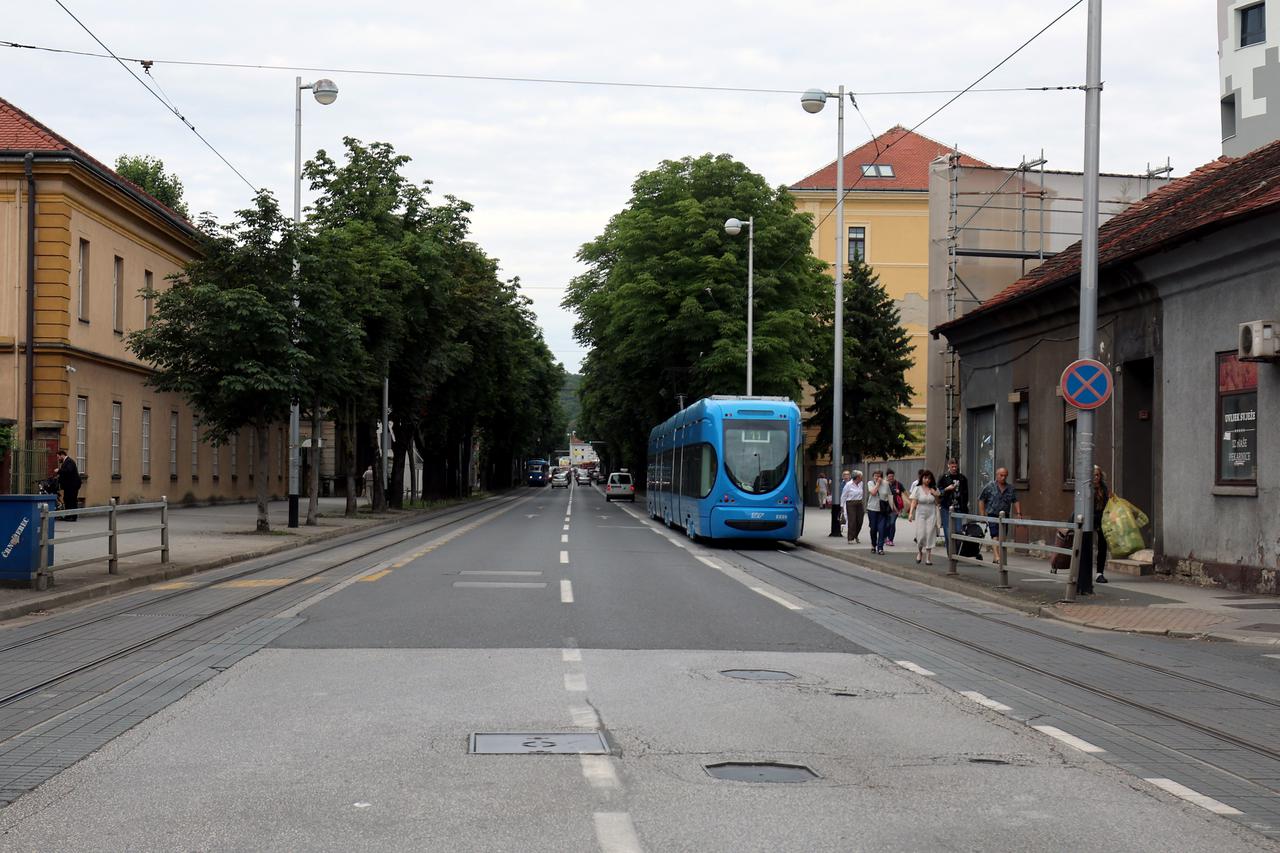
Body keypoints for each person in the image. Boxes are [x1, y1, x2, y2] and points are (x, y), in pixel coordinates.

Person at [977, 466, 1022, 564]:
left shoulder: (1010, 488)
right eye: (1001, 475)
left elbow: (1015, 500)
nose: (1003, 478)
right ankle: (997, 556)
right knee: (995, 535)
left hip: (1004, 515)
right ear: (997, 475)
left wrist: (1018, 513)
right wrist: (982, 515)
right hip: (992, 514)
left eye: (1005, 476)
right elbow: (981, 499)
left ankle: (996, 557)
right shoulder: (989, 486)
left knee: (1002, 537)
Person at [1080, 465, 1110, 593]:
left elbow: (1107, 504)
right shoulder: (1087, 488)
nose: (1095, 477)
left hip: (1101, 518)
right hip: (1088, 518)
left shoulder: (1104, 489)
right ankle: (1084, 573)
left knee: (1102, 545)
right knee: (1086, 545)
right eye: (1093, 475)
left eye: (1097, 475)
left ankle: (1099, 573)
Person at [909, 469, 941, 565]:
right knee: (921, 535)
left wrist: (935, 495)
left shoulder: (934, 489)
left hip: (931, 513)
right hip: (921, 513)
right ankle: (919, 552)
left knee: (930, 534)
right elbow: (914, 502)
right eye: (925, 478)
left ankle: (928, 558)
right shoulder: (917, 488)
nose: (927, 480)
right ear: (922, 478)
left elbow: (937, 503)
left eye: (929, 478)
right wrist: (910, 513)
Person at [867, 470, 891, 554]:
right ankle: (873, 545)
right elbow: (873, 492)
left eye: (878, 476)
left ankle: (880, 548)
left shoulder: (886, 484)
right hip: (872, 509)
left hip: (882, 510)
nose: (877, 477)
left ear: (881, 476)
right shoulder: (870, 483)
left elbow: (889, 496)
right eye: (875, 476)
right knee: (873, 529)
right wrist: (877, 484)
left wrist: (894, 508)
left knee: (882, 529)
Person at [56, 449, 81, 521]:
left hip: (73, 485)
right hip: (69, 485)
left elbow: (68, 471)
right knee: (66, 499)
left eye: (58, 457)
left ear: (62, 455)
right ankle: (68, 516)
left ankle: (73, 517)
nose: (58, 459)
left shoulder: (69, 461)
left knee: (72, 500)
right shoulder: (65, 462)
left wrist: (59, 470)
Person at [841, 470, 864, 544]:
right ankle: (850, 538)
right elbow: (843, 496)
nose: (862, 478)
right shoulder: (848, 484)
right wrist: (842, 506)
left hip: (859, 503)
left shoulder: (861, 483)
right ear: (857, 477)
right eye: (861, 476)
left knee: (860, 521)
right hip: (850, 503)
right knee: (852, 521)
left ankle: (856, 535)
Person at [884, 469, 905, 547]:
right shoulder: (885, 484)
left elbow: (904, 494)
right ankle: (884, 537)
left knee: (892, 523)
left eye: (892, 476)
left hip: (895, 509)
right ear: (887, 477)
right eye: (889, 476)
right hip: (886, 508)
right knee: (887, 524)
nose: (891, 478)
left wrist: (904, 507)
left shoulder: (898, 484)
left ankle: (890, 539)